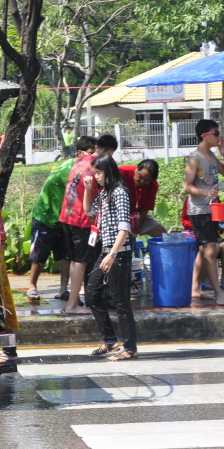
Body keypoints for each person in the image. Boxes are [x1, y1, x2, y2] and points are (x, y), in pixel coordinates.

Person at [26, 136, 98, 301]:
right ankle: (32, 286)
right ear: (79, 153)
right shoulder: (72, 169)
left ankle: (63, 290)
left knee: (65, 254)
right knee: (39, 254)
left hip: (65, 218)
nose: (94, 157)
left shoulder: (84, 167)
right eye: (91, 153)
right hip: (47, 214)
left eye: (96, 154)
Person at [82, 154, 138, 361]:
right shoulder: (105, 193)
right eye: (94, 173)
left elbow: (125, 227)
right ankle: (110, 340)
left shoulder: (119, 192)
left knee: (120, 301)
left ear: (108, 171)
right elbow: (89, 211)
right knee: (91, 295)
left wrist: (113, 254)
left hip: (118, 253)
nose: (95, 176)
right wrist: (88, 190)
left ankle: (130, 348)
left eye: (98, 172)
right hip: (106, 251)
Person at [57, 133, 117, 314]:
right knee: (82, 262)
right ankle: (73, 305)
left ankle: (76, 302)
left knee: (77, 261)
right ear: (111, 152)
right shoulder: (97, 166)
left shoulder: (80, 160)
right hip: (82, 220)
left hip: (67, 217)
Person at [183, 119, 224, 304]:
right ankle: (219, 293)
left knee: (204, 250)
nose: (219, 136)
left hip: (212, 209)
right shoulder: (195, 158)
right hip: (199, 210)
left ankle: (195, 289)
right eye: (215, 132)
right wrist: (206, 192)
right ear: (205, 135)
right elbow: (186, 187)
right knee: (211, 250)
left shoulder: (212, 156)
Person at [181, 197, 224, 292]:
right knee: (212, 247)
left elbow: (220, 221)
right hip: (198, 235)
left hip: (213, 234)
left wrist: (221, 223)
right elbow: (185, 221)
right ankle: (205, 279)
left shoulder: (215, 199)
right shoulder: (191, 199)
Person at [118, 160, 162, 238]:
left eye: (147, 180)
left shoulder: (153, 185)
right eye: (141, 177)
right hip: (117, 214)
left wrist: (135, 229)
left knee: (161, 234)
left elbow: (144, 210)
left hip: (136, 215)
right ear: (137, 170)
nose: (142, 181)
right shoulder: (121, 173)